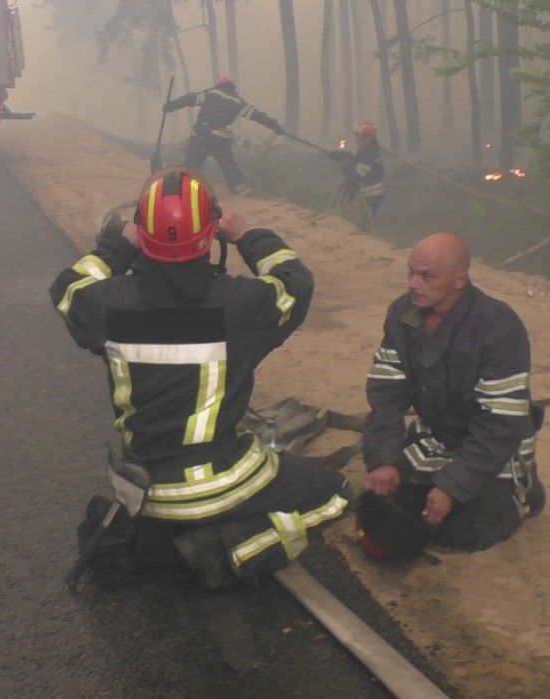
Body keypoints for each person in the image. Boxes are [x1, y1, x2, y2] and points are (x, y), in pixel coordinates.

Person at [49, 167, 351, 588]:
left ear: (142, 233)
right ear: (210, 235)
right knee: (335, 492)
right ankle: (230, 546)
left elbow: (67, 288)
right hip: (221, 481)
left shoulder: (107, 305)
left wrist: (118, 246)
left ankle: (167, 546)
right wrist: (245, 233)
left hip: (147, 492)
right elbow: (295, 282)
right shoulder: (242, 305)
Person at [356, 232, 544, 560]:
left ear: (460, 279)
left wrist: (451, 486)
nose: (414, 283)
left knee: (462, 533)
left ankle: (523, 494)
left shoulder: (498, 326)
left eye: (427, 276)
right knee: (387, 504)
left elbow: (500, 424)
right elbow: (386, 392)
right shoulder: (401, 314)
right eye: (411, 272)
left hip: (493, 447)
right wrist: (383, 457)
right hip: (436, 437)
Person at [163, 77, 284, 196]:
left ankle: (179, 192)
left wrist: (171, 106)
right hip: (221, 140)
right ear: (232, 88)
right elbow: (257, 116)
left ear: (218, 86)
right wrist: (275, 126)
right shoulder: (238, 101)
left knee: (190, 167)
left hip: (202, 137)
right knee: (230, 167)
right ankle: (243, 192)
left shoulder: (210, 93)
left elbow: (189, 99)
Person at [330, 122, 386, 229]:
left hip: (373, 196)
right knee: (361, 220)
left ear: (368, 139)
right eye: (357, 138)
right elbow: (353, 156)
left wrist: (345, 166)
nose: (357, 141)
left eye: (360, 138)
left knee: (363, 223)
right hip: (366, 195)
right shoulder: (364, 151)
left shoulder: (370, 155)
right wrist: (339, 155)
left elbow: (356, 176)